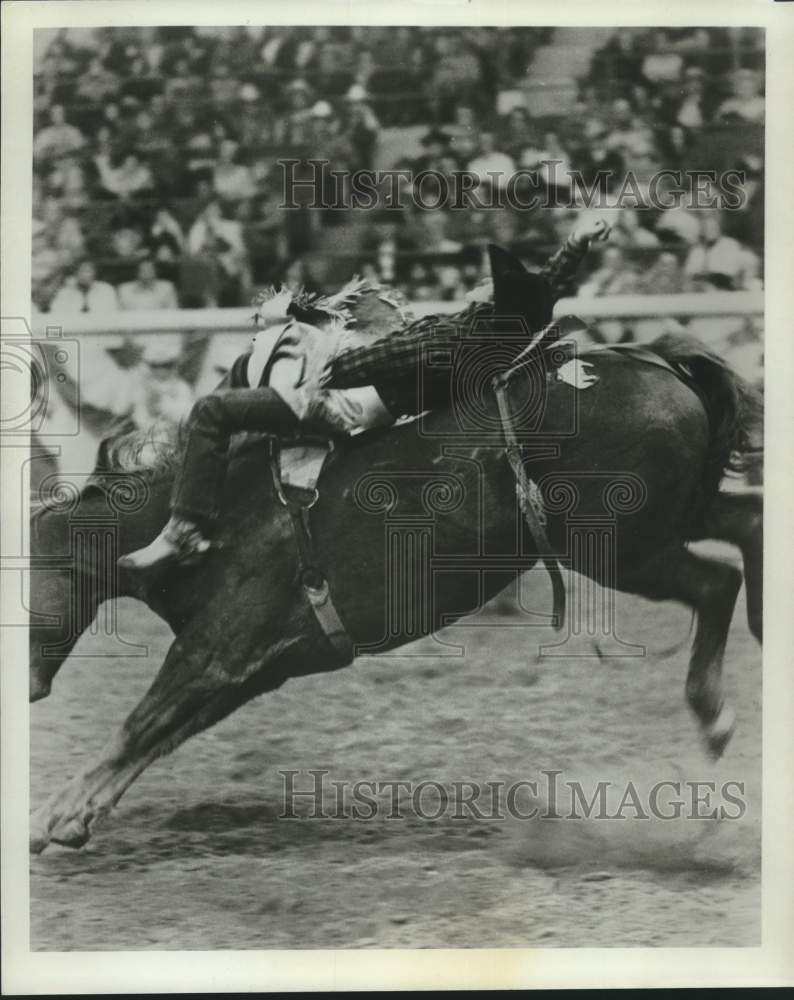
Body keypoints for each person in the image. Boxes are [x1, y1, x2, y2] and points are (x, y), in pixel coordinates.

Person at [119, 218, 610, 573]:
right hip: (377, 405)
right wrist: (577, 242)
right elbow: (548, 284)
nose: (483, 281)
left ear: (492, 304)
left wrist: (299, 332)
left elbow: (354, 365)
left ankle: (182, 531)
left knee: (210, 411)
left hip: (343, 407)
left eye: (491, 284)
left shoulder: (444, 341)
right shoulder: (493, 333)